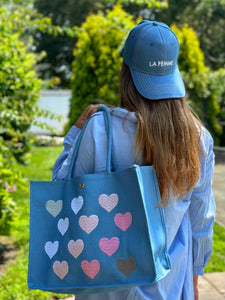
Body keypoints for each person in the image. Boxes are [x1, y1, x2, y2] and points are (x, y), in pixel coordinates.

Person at [53, 20, 215, 300]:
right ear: (173, 73)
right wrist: (195, 278)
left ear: (125, 71)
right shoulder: (198, 139)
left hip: (103, 288)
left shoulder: (99, 129)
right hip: (170, 287)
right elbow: (202, 219)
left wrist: (74, 135)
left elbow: (65, 194)